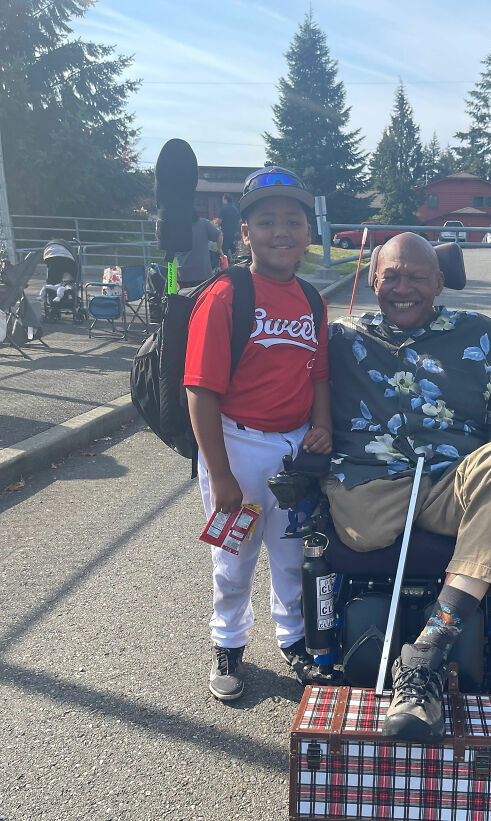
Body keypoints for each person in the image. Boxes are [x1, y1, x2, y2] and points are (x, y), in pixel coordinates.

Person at [325, 232, 491, 741]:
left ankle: (429, 649)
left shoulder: (481, 334)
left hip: (455, 480)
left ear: (440, 282)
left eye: (418, 277)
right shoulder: (340, 337)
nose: (403, 288)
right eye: (392, 276)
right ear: (372, 279)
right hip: (371, 486)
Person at [183, 167, 332, 702]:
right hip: (237, 447)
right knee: (234, 559)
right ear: (244, 232)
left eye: (293, 220)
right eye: (266, 221)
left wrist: (322, 424)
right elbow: (200, 391)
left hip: (293, 448)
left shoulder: (312, 300)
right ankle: (228, 643)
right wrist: (219, 474)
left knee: (293, 555)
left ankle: (293, 639)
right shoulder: (226, 296)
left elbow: (317, 373)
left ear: (308, 232)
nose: (281, 231)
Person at [176, 212, 223, 288]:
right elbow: (219, 235)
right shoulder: (204, 223)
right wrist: (219, 248)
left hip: (183, 273)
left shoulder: (176, 225)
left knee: (183, 298)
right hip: (203, 273)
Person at [218, 194, 241, 261]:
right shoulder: (235, 209)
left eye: (223, 199)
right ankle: (234, 263)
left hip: (226, 233)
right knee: (234, 250)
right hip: (235, 233)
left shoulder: (224, 209)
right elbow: (240, 220)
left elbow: (219, 221)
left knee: (224, 250)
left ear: (225, 200)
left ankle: (227, 265)